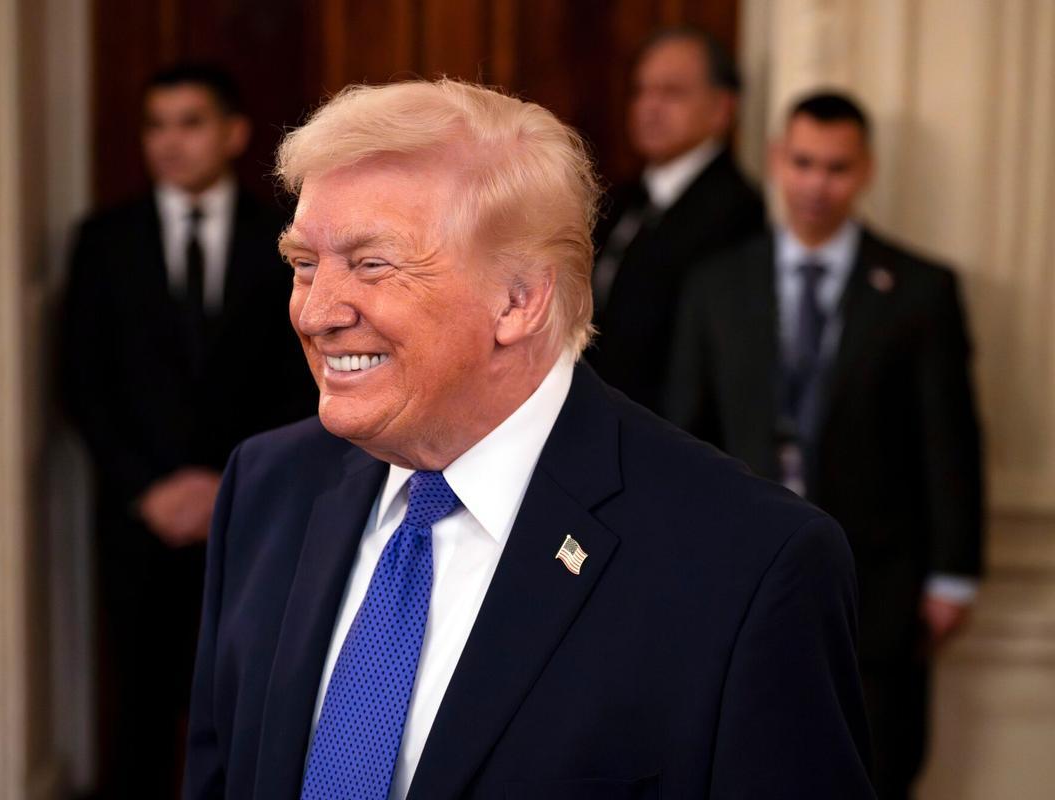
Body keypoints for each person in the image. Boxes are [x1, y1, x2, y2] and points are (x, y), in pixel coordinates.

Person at [183, 78, 872, 799]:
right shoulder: (267, 488)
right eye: (304, 264)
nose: (316, 312)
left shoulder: (751, 564)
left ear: (519, 299)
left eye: (372, 264)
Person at [667, 91, 983, 799]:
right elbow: (682, 428)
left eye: (836, 168)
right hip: (736, 573)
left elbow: (950, 441)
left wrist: (954, 575)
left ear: (865, 170)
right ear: (778, 160)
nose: (816, 184)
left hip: (879, 588)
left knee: (874, 768)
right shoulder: (717, 283)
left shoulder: (922, 291)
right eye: (803, 163)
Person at [61, 63, 315, 798]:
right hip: (140, 520)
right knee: (138, 706)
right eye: (156, 125)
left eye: (190, 122)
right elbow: (83, 382)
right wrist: (149, 487)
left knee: (246, 701)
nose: (170, 142)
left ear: (234, 134)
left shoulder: (288, 243)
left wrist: (226, 487)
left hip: (255, 512)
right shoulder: (104, 240)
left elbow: (304, 380)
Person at [587, 26, 765, 415]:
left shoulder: (737, 209)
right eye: (640, 91)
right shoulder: (620, 199)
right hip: (601, 414)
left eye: (671, 93)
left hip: (671, 429)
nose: (649, 106)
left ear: (723, 108)